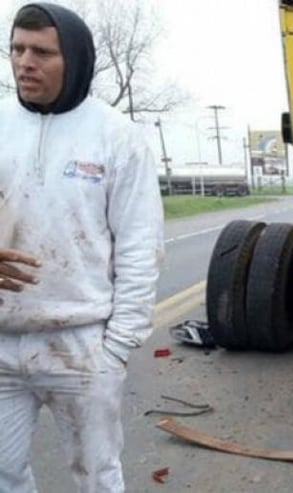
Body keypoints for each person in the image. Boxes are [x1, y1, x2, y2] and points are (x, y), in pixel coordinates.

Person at [0, 3, 164, 492]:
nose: (25, 61)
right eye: (17, 49)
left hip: (82, 343)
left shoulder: (117, 137)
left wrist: (116, 346)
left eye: (42, 52)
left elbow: (140, 245)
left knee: (95, 477)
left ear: (74, 59)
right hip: (1, 342)